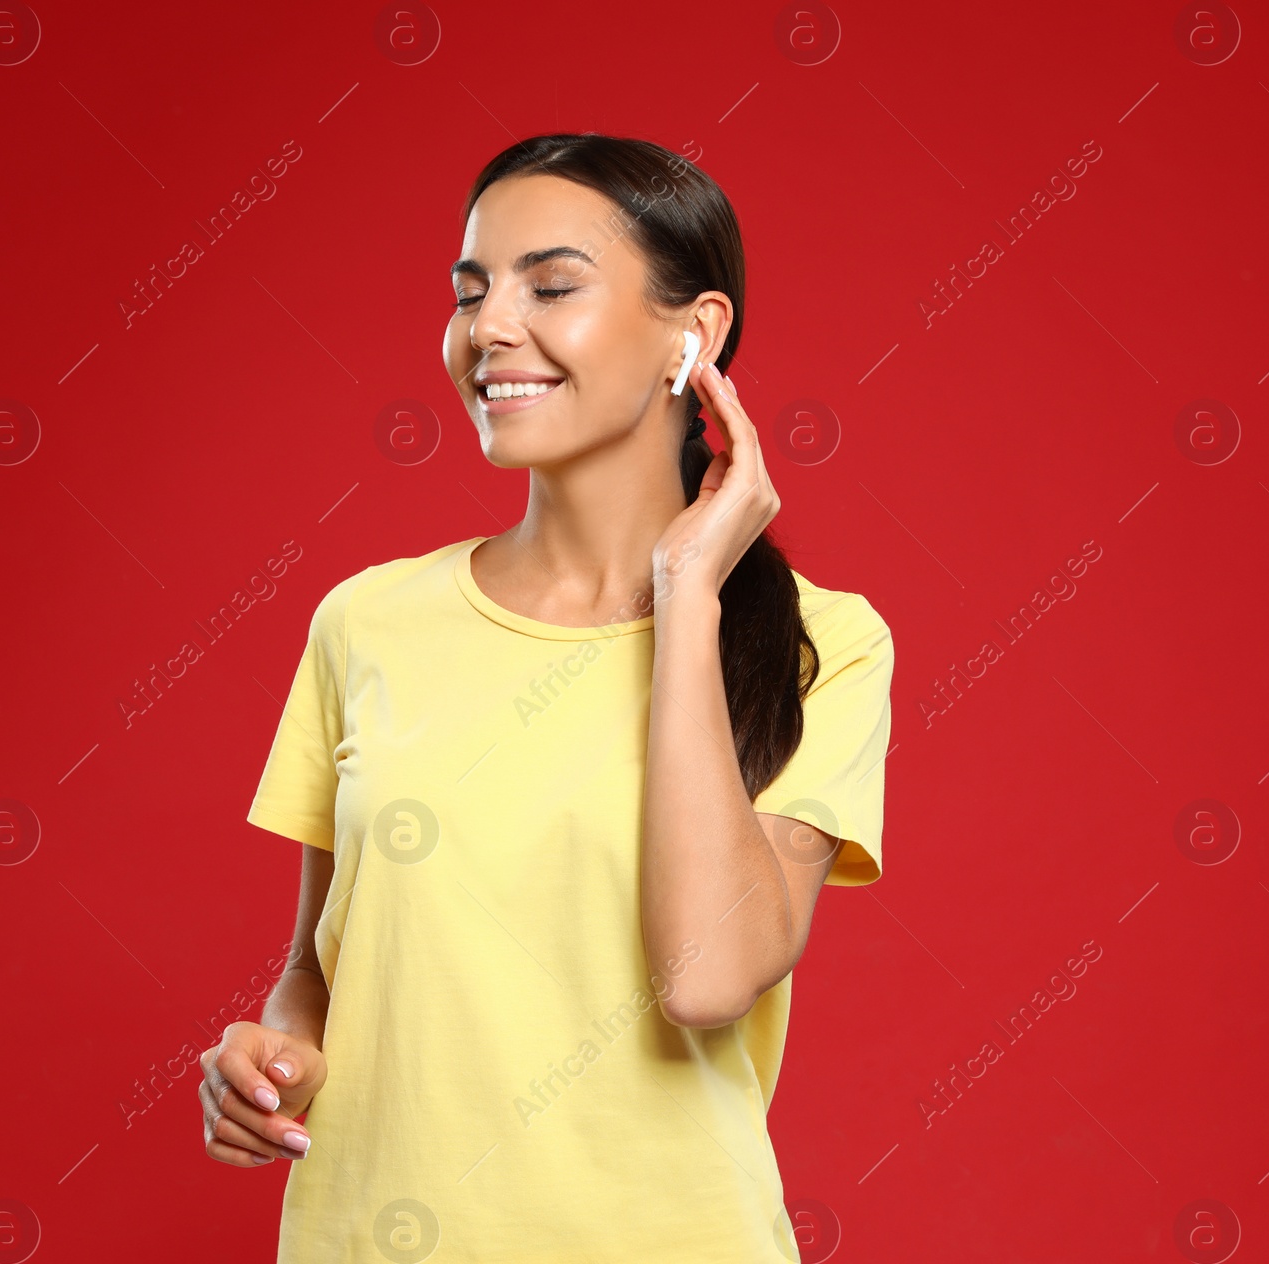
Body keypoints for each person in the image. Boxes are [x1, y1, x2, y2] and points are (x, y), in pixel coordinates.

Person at [197, 133, 895, 1263]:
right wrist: (274, 1059)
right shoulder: (365, 621)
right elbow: (315, 967)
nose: (488, 328)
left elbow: (707, 978)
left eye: (550, 286)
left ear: (695, 333)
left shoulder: (828, 642)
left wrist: (686, 595)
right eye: (470, 293)